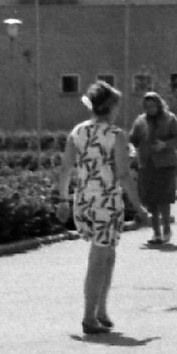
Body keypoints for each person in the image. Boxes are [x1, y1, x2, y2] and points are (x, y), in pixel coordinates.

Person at [60, 80, 142, 336]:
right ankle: (88, 316)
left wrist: (62, 199)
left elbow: (66, 169)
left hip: (83, 200)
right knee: (99, 258)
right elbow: (124, 175)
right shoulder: (116, 136)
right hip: (106, 202)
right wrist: (139, 208)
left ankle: (101, 310)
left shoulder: (77, 132)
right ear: (110, 107)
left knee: (107, 255)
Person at [129, 91, 177, 245]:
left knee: (164, 198)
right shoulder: (140, 121)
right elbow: (133, 138)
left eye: (153, 105)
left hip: (166, 163)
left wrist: (165, 145)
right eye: (147, 106)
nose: (150, 109)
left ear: (159, 104)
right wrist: (132, 148)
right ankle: (156, 233)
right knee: (150, 199)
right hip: (146, 163)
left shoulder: (170, 118)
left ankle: (166, 229)